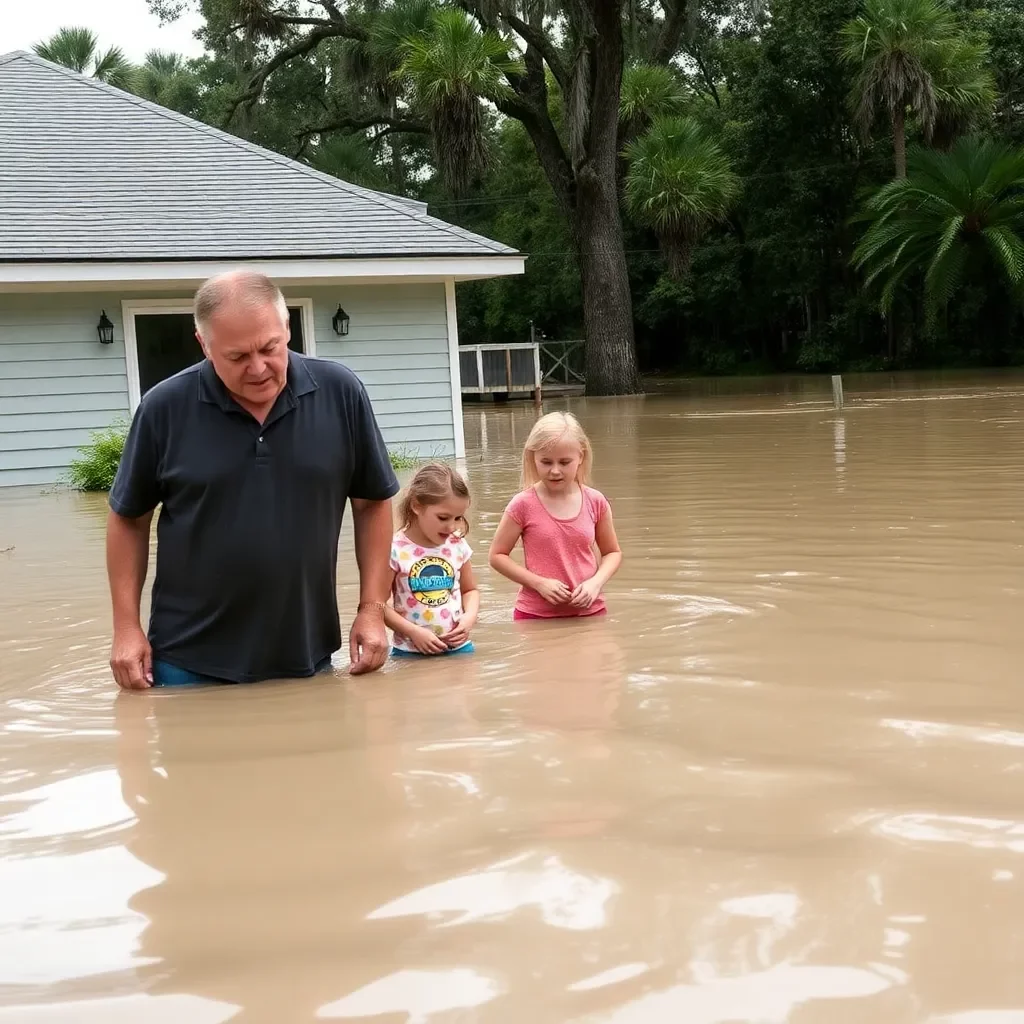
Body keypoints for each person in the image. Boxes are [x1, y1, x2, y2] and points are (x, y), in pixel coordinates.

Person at [105, 270, 400, 689]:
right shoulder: (163, 410)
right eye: (238, 357)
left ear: (287, 329)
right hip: (186, 662)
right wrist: (126, 627)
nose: (259, 368)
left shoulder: (341, 392)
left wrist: (371, 609)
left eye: (269, 348)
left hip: (306, 654)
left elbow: (372, 503)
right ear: (204, 345)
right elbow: (127, 520)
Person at [488, 411, 622, 619]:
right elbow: (497, 556)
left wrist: (595, 584)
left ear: (581, 457)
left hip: (590, 612)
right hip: (534, 616)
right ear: (533, 458)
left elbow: (612, 552)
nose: (555, 471)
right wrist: (539, 583)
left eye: (564, 462)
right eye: (546, 462)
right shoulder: (522, 505)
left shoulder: (596, 502)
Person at [385, 463, 480, 656]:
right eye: (443, 517)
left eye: (458, 518)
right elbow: (379, 605)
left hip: (459, 648)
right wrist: (413, 632)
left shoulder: (457, 545)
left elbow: (470, 590)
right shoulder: (395, 549)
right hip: (410, 651)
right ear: (416, 506)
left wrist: (469, 617)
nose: (451, 526)